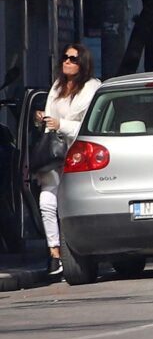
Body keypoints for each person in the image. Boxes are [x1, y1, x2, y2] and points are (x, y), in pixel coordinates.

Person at [34, 42, 99, 280]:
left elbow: (90, 124)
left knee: (70, 206)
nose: (67, 62)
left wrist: (62, 125)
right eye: (65, 57)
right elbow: (50, 114)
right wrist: (42, 118)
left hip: (77, 154)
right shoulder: (57, 87)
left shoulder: (92, 88)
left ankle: (76, 253)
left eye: (73, 59)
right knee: (46, 202)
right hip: (54, 154)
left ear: (83, 63)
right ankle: (54, 254)